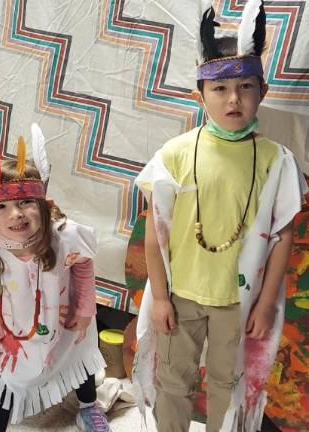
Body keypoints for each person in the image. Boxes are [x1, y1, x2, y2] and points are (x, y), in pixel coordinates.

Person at [132, 1, 307, 430]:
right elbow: (156, 233)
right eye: (220, 89)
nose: (234, 99)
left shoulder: (276, 161)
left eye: (246, 87)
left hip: (238, 302)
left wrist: (266, 304)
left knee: (229, 387)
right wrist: (158, 297)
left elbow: (283, 236)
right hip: (183, 296)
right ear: (200, 94)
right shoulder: (173, 155)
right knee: (174, 382)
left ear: (261, 92)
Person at [0, 141, 109, 431]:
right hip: (17, 336)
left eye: (25, 203)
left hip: (68, 323)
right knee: (6, 388)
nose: (15, 214)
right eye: (2, 206)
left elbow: (83, 264)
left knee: (80, 364)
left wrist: (84, 309)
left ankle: (88, 406)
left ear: (43, 207)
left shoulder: (64, 236)